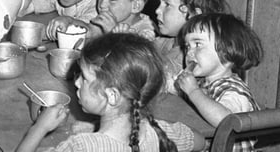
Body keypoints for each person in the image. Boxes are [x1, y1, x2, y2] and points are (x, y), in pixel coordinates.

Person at [16, 33, 206, 152]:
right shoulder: (157, 132)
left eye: (83, 77)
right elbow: (200, 141)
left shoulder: (82, 147)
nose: (76, 82)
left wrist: (39, 128)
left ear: (113, 95)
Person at [176, 13, 263, 152]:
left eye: (197, 44)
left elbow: (226, 121)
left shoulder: (233, 90)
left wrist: (193, 92)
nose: (189, 53)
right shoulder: (202, 82)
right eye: (187, 46)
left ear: (226, 52)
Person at [154, 0, 228, 94]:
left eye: (167, 5)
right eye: (160, 4)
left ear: (194, 15)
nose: (157, 10)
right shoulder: (164, 41)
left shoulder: (192, 57)